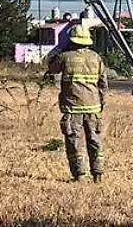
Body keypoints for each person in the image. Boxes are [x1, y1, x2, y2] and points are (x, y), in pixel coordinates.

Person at [45, 24, 106, 181]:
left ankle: (79, 174)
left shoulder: (65, 57)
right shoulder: (96, 58)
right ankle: (97, 174)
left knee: (74, 141)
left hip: (73, 107)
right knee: (95, 140)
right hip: (93, 107)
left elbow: (51, 68)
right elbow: (103, 83)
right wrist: (101, 102)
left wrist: (60, 49)